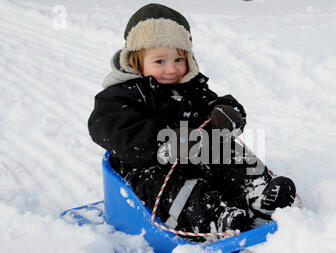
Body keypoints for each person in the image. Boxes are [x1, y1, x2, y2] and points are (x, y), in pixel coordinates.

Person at [88, 3, 296, 239]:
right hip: (147, 166)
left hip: (194, 157)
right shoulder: (122, 95)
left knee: (225, 147)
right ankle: (216, 216)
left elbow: (210, 105)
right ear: (136, 62)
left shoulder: (191, 88)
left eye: (179, 59)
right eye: (160, 61)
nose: (171, 69)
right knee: (166, 185)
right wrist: (162, 144)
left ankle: (258, 194)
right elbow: (108, 127)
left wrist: (227, 113)